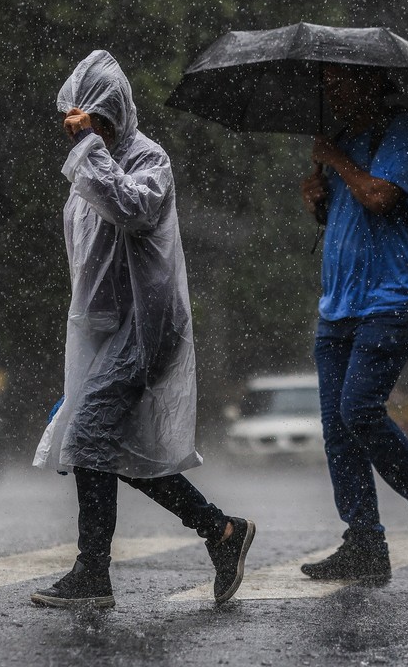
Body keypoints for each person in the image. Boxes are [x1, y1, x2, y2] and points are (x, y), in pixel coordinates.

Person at [32, 50, 255, 609]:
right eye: (77, 122)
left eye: (96, 121)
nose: (83, 131)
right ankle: (223, 532)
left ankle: (93, 575)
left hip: (145, 330)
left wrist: (89, 148)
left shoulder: (147, 160)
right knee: (112, 448)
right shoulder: (90, 164)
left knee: (89, 441)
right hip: (106, 331)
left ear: (116, 114)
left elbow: (131, 209)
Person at [298, 63, 408, 584]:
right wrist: (320, 198)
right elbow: (350, 213)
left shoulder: (402, 132)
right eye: (324, 82)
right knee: (337, 429)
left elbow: (379, 196)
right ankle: (365, 543)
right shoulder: (345, 138)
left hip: (391, 300)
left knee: (359, 410)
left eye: (337, 81)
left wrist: (335, 159)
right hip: (338, 306)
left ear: (369, 81)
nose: (328, 90)